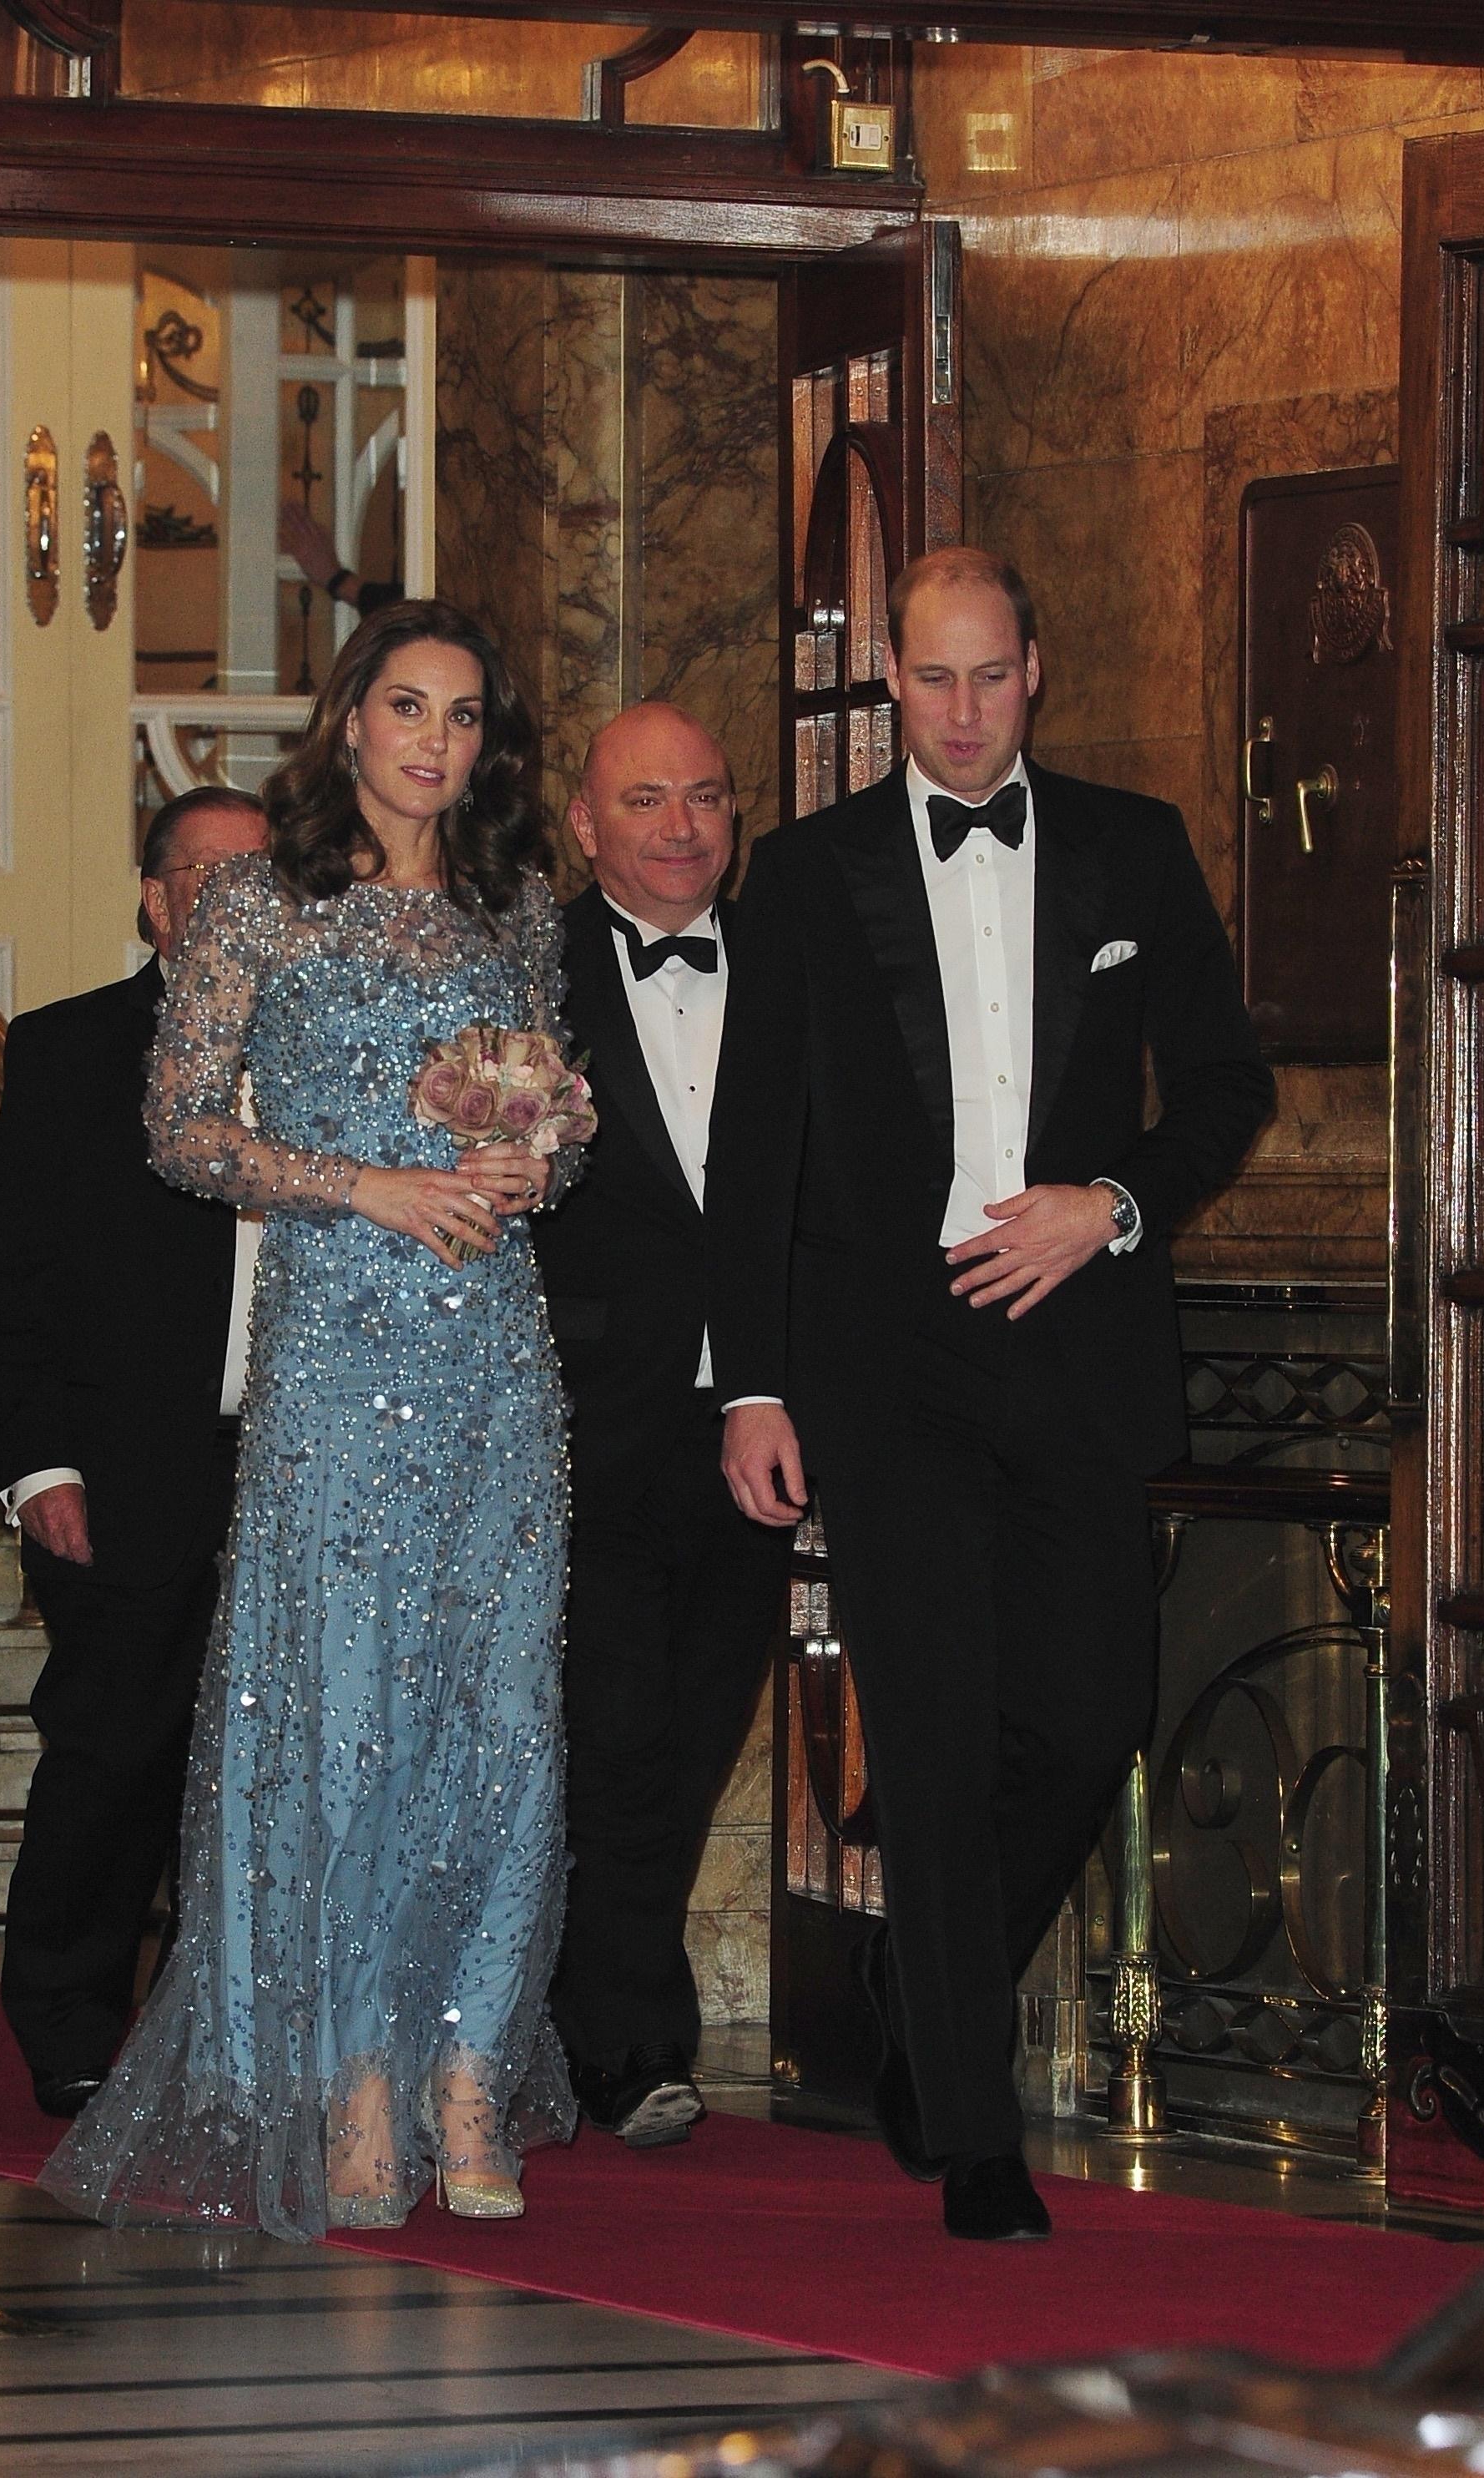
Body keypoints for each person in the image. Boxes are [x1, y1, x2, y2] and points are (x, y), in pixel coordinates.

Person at [708, 549, 1273, 2242]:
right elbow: (755, 1146)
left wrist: (1106, 1206)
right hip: (889, 1367)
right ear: (894, 679)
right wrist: (750, 1385)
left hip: (1081, 1346)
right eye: (932, 679)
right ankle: (973, 2123)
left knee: (1090, 1717)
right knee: (939, 1745)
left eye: (990, 675)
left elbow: (1228, 1087)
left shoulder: (1132, 844)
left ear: (1038, 669)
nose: (962, 711)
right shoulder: (804, 876)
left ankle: (917, 1978)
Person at [43, 599, 579, 2242]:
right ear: (351, 721)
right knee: (348, 1715)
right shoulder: (259, 907)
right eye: (408, 705)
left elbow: (558, 1124)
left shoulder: (519, 908)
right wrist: (365, 1181)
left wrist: (528, 1157)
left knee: (498, 1721)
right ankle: (354, 2077)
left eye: (465, 714)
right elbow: (180, 1130)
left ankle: (471, 2068)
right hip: (338, 1361)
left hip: (497, 1356)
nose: (436, 739)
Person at [0, 785, 270, 2120]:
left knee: (271, 1762)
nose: (238, 905)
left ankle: (234, 2029)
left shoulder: (339, 1059)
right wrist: (39, 1467)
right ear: (154, 900)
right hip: (130, 1470)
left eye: (267, 882)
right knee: (113, 1752)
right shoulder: (72, 1050)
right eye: (210, 878)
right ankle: (71, 2022)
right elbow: (16, 1282)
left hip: (303, 1465)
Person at [537, 702, 791, 2147]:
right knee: (612, 1731)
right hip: (587, 1422)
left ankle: (602, 2018)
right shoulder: (531, 975)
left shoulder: (792, 969)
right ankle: (629, 2040)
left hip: (755, 1422)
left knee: (695, 1734)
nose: (683, 825)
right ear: (586, 823)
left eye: (705, 795)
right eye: (646, 798)